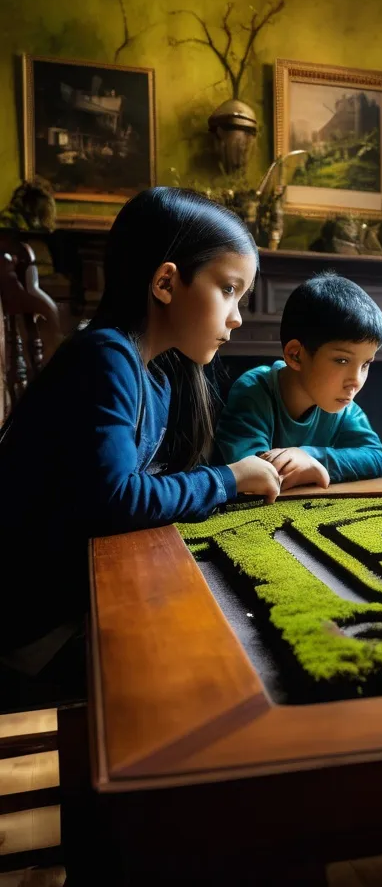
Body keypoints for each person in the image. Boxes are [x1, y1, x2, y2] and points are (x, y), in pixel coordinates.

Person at [0, 187, 280, 696]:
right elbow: (115, 499)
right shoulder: (104, 357)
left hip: (73, 595)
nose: (237, 316)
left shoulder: (156, 376)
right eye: (229, 290)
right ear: (167, 282)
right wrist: (228, 477)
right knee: (225, 652)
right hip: (36, 623)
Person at [215, 272, 382, 488]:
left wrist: (310, 458)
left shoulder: (342, 406)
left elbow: (376, 459)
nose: (355, 381)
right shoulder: (254, 390)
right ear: (296, 355)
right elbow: (250, 472)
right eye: (342, 360)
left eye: (365, 364)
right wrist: (312, 469)